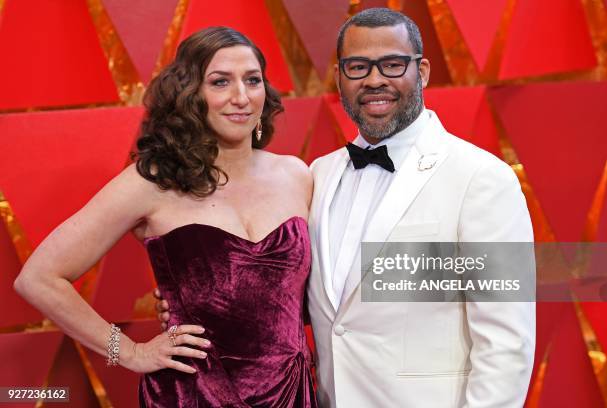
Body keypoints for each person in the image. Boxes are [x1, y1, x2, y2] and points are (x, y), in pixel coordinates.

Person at [155, 8, 536, 408]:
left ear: (421, 72)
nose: (374, 80)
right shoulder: (319, 174)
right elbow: (290, 288)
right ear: (339, 78)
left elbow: (507, 342)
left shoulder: (482, 178)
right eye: (358, 67)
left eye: (392, 64)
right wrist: (197, 293)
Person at [14, 27, 317, 407]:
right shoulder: (153, 181)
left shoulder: (297, 175)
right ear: (191, 94)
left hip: (290, 392)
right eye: (220, 82)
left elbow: (307, 292)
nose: (241, 97)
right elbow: (38, 278)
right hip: (194, 394)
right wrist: (127, 352)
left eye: (252, 80)